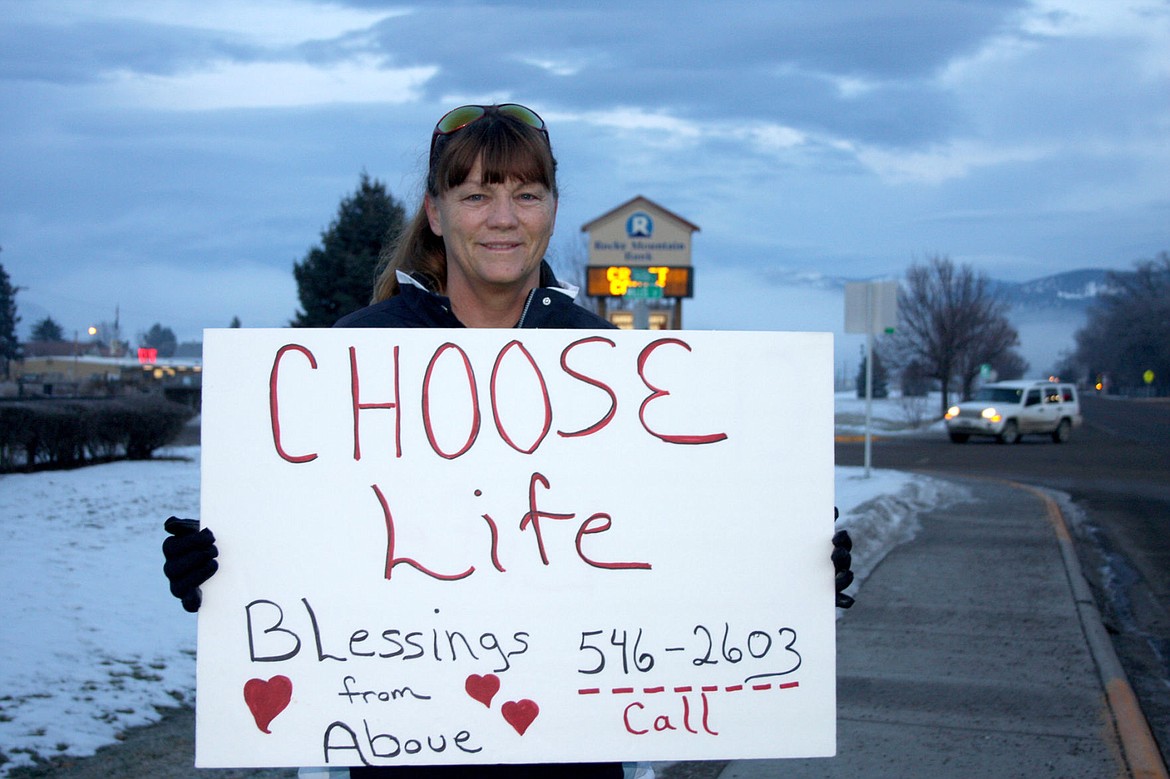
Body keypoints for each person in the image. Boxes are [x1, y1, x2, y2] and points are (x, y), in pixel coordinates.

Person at [163, 103, 854, 779]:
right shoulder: (358, 353)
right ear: (436, 212)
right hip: (397, 741)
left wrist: (787, 566)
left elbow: (669, 534)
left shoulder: (608, 362)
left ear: (553, 209)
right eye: (475, 195)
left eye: (527, 193)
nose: (503, 217)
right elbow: (308, 535)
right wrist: (223, 572)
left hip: (573, 749)